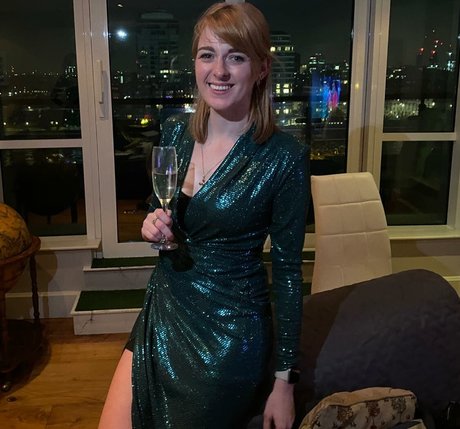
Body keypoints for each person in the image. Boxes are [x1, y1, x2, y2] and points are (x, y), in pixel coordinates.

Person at [98, 2, 310, 429]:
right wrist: (155, 228)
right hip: (164, 307)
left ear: (262, 68)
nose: (219, 71)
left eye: (236, 57)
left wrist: (284, 382)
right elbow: (161, 212)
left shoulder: (285, 157)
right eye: (207, 54)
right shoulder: (176, 131)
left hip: (228, 334)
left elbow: (288, 273)